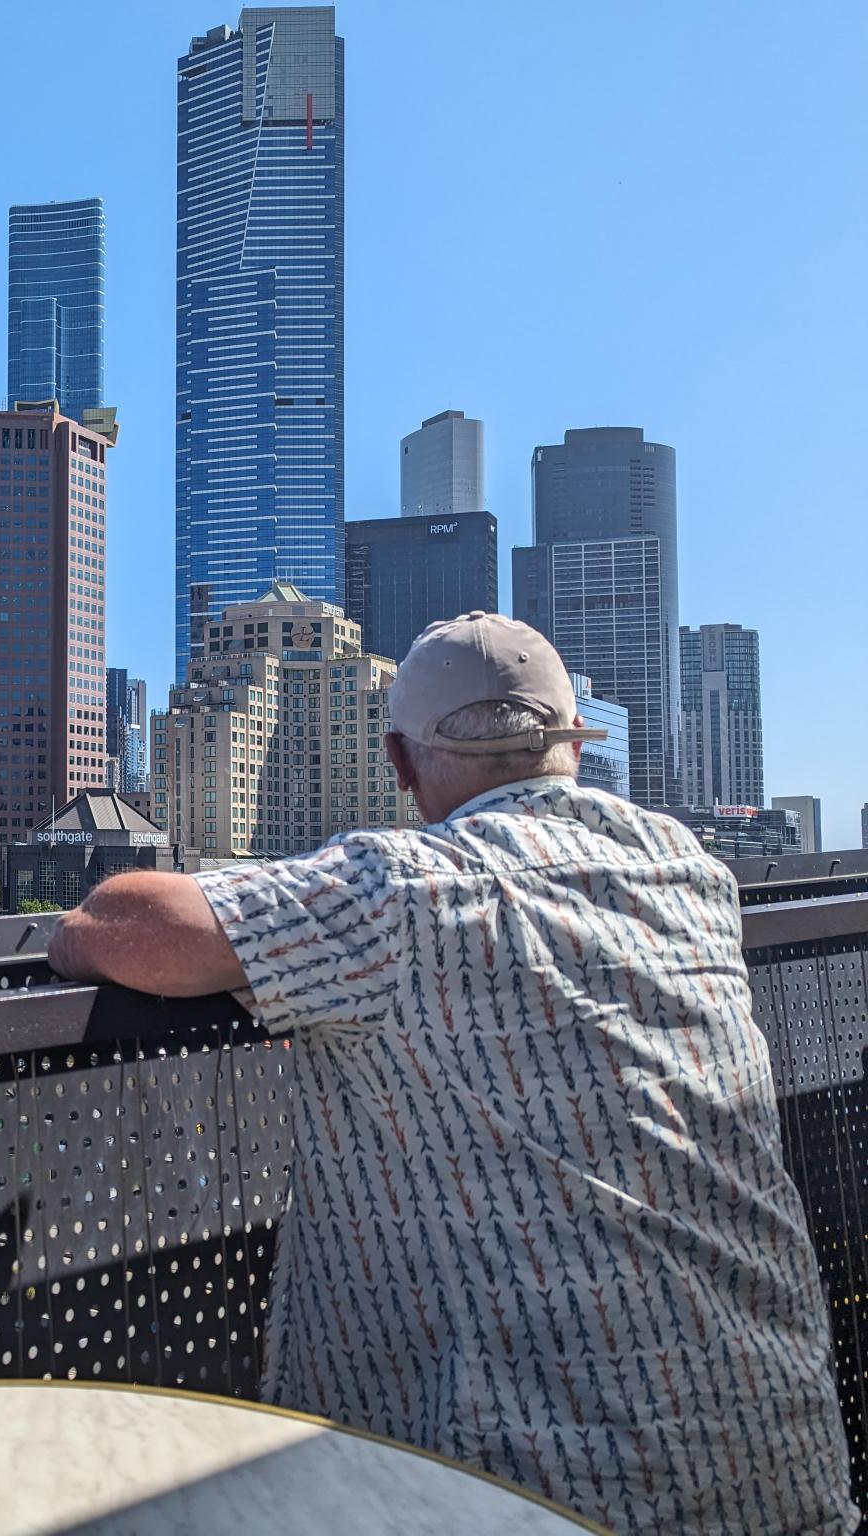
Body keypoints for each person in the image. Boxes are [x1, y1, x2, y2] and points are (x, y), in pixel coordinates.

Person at [48, 612, 854, 1535]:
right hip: (791, 1477)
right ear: (572, 745)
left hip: (539, 1503)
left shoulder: (405, 892)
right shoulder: (691, 873)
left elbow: (121, 929)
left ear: (398, 760)